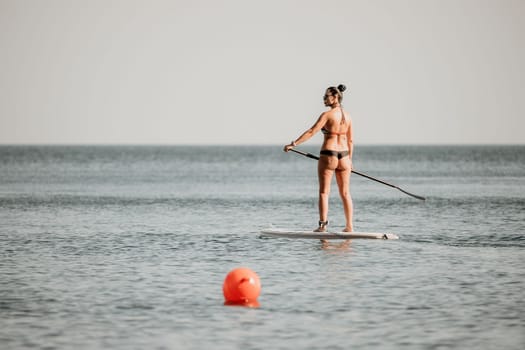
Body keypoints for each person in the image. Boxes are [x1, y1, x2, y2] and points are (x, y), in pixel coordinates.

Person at [283, 84, 353, 232]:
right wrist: (350, 161)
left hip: (329, 154)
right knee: (345, 193)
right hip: (345, 157)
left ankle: (322, 227)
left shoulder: (327, 115)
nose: (324, 99)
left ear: (335, 97)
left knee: (324, 192)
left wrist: (293, 144)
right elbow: (350, 140)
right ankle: (349, 226)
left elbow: (311, 131)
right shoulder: (348, 116)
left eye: (326, 96)